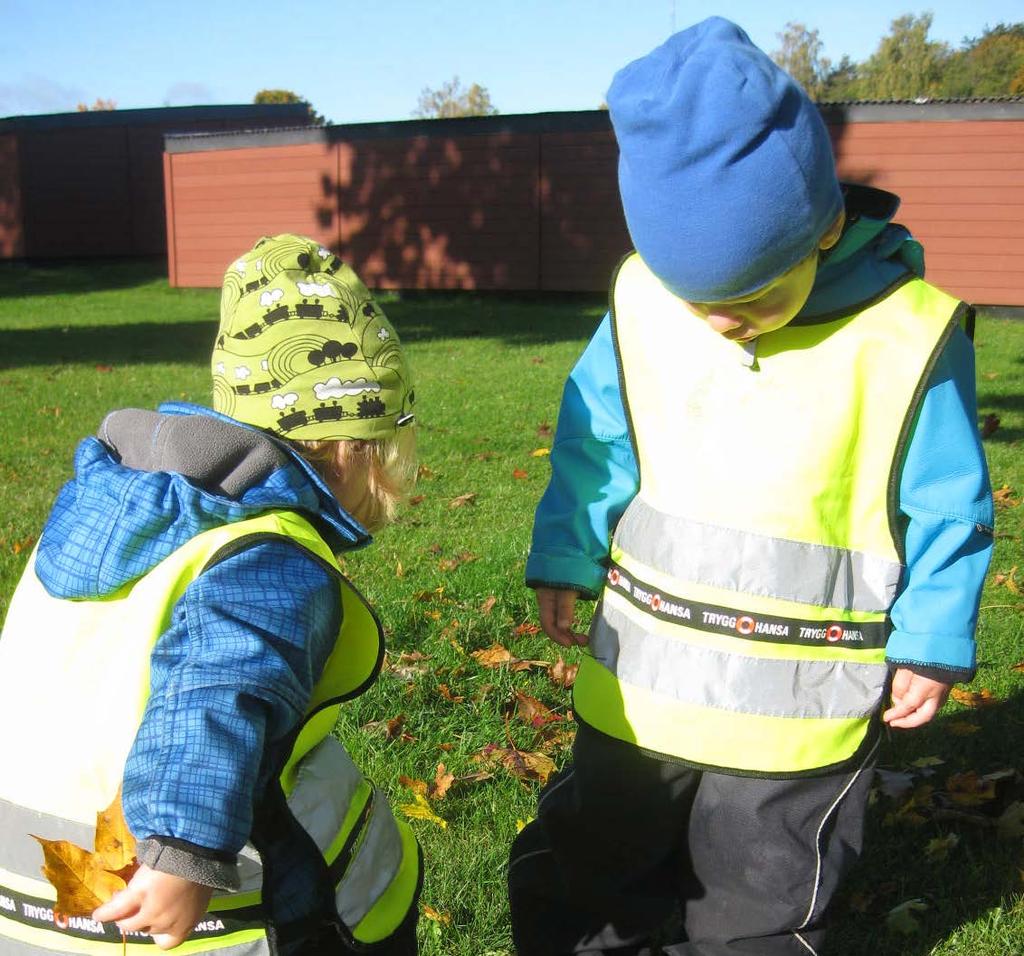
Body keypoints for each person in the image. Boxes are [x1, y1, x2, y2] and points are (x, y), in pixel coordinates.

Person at [508, 18, 993, 956]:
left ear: (827, 228)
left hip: (797, 725)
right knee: (593, 869)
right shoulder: (642, 304)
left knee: (757, 905)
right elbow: (597, 436)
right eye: (701, 305)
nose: (726, 327)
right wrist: (567, 548)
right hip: (640, 698)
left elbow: (946, 503)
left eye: (758, 297)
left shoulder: (908, 339)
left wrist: (932, 638)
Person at [0, 234, 422, 955]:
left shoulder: (106, 511)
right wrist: (184, 854)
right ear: (351, 447)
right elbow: (215, 686)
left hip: (26, 885)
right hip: (177, 913)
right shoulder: (271, 556)